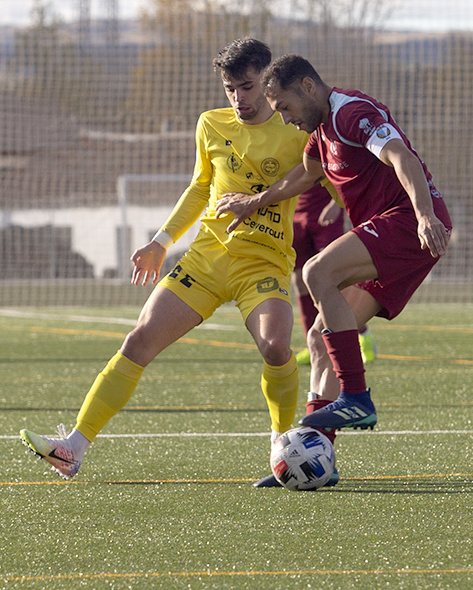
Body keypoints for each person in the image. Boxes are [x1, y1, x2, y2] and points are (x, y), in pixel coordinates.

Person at [21, 38, 308, 479]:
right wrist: (160, 240)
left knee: (275, 348)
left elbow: (327, 178)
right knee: (138, 341)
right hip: (205, 260)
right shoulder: (211, 124)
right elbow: (199, 187)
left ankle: (284, 446)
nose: (239, 98)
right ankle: (73, 447)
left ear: (268, 80)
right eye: (231, 89)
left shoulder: (297, 127)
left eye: (247, 87)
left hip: (263, 264)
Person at [215, 53, 450, 436]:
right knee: (319, 340)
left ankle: (356, 397)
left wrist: (425, 216)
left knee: (316, 272)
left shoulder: (351, 114)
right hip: (393, 232)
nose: (286, 119)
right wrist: (252, 202)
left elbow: (401, 156)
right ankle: (314, 454)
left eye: (286, 107)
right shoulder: (322, 133)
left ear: (308, 86)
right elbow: (301, 177)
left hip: (408, 223)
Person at [290, 184, 375, 368]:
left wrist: (336, 204)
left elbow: (340, 173)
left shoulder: (320, 154)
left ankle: (362, 334)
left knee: (333, 280)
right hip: (295, 214)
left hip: (324, 212)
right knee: (299, 280)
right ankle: (311, 345)